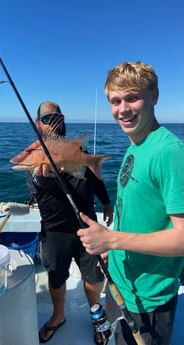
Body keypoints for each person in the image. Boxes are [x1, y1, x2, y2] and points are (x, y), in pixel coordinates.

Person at [77, 61, 184, 345]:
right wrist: (112, 251)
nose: (123, 109)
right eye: (115, 100)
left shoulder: (169, 152)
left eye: (132, 98)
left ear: (154, 97)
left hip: (149, 299)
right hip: (122, 284)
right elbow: (138, 213)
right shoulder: (136, 145)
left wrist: (112, 240)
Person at [28, 101, 113, 344]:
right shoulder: (35, 151)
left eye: (56, 118)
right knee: (56, 276)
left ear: (63, 120)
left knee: (93, 277)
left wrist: (106, 203)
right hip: (55, 229)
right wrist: (45, 175)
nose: (52, 123)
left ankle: (97, 318)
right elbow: (38, 182)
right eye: (46, 119)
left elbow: (95, 180)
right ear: (38, 123)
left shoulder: (79, 151)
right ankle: (58, 316)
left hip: (88, 225)